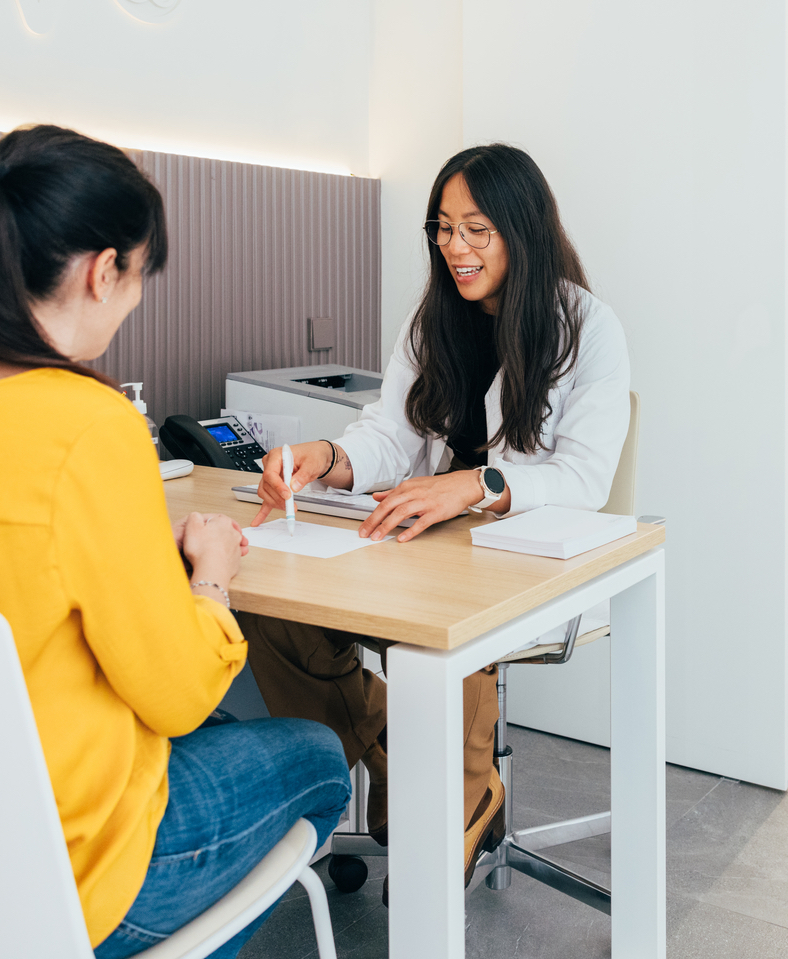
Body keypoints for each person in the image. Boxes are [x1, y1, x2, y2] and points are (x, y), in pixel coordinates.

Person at [0, 125, 351, 959]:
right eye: (140, 276)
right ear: (105, 270)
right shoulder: (87, 425)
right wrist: (207, 579)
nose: (135, 297)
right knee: (317, 756)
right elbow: (174, 698)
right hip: (51, 875)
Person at [242, 143, 630, 898]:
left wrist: (473, 485)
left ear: (524, 230)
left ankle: (457, 782)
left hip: (516, 564)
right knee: (269, 607)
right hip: (409, 549)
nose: (455, 248)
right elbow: (388, 434)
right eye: (443, 228)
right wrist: (327, 455)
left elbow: (584, 478)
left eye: (476, 229)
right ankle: (401, 749)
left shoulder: (587, 327)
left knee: (449, 630)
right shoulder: (433, 322)